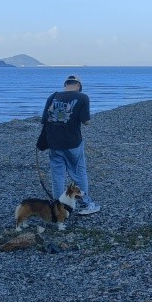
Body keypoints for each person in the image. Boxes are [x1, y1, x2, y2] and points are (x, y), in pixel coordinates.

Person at [41, 75, 100, 215]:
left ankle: (57, 207)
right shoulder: (82, 97)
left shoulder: (53, 97)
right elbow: (86, 121)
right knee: (78, 172)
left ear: (65, 84)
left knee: (57, 175)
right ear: (78, 85)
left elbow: (44, 120)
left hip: (54, 142)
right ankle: (84, 204)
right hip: (73, 142)